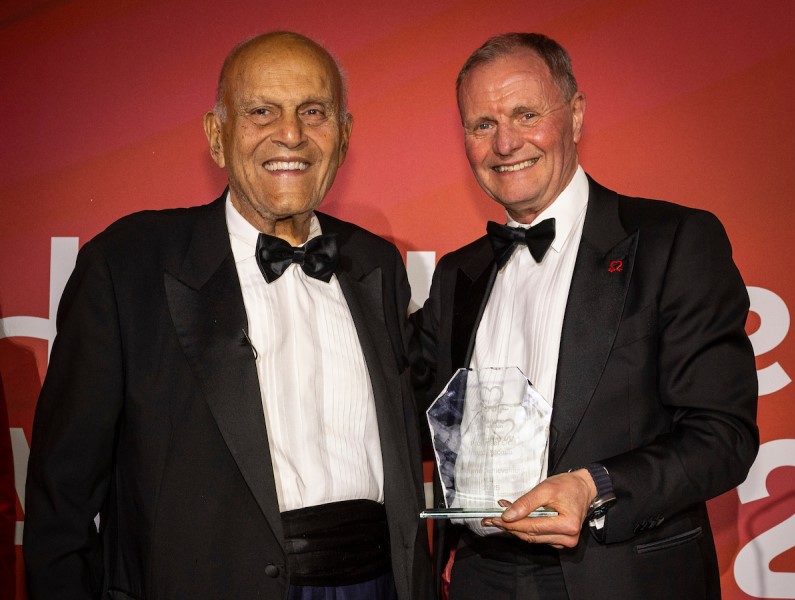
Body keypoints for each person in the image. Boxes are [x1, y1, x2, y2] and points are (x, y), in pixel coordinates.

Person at [23, 31, 432, 600]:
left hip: (378, 585)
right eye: (261, 111)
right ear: (218, 137)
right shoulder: (128, 264)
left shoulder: (375, 263)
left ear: (343, 135)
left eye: (313, 112)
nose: (290, 134)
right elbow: (60, 498)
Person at [413, 32, 758, 600]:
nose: (505, 143)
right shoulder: (459, 274)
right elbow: (411, 409)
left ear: (574, 116)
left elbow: (723, 436)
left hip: (623, 575)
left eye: (526, 114)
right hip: (480, 577)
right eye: (481, 125)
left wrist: (592, 486)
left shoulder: (674, 243)